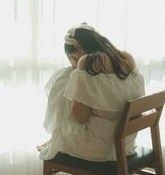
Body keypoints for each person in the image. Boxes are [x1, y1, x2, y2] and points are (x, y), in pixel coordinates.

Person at [38, 23, 145, 162]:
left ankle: (57, 140)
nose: (73, 63)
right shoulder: (125, 59)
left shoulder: (86, 65)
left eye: (74, 58)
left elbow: (80, 117)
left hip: (100, 149)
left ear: (81, 50)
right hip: (127, 145)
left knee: (62, 88)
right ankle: (56, 139)